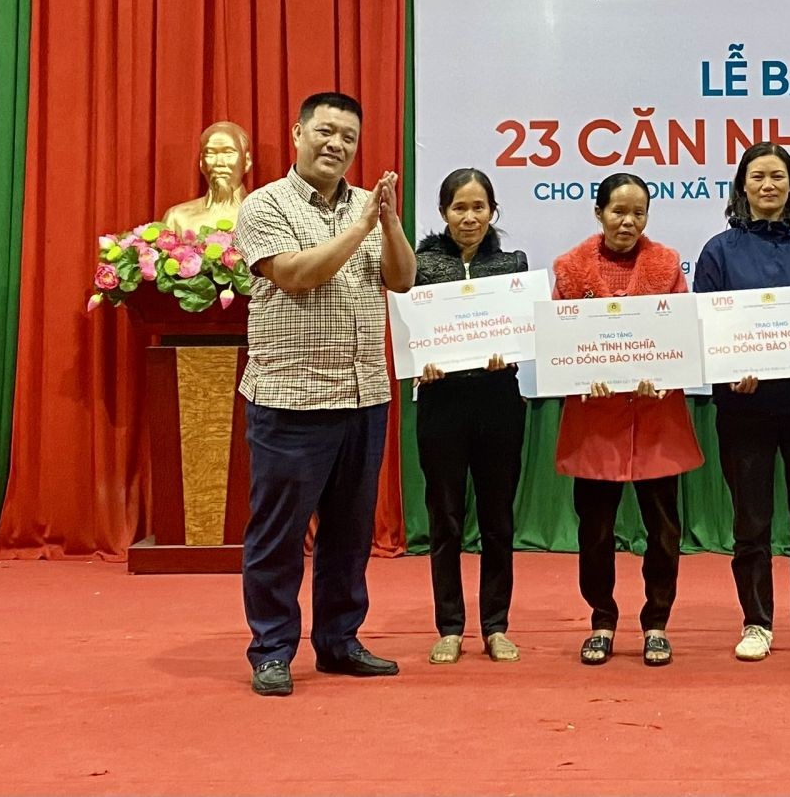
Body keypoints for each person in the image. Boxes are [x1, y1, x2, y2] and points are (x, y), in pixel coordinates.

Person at [233, 91, 416, 697]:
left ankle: (339, 640)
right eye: (326, 132)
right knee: (279, 535)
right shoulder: (266, 205)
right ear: (298, 133)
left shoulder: (369, 205)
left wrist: (388, 223)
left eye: (349, 138)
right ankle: (272, 649)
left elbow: (402, 280)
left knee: (350, 534)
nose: (337, 145)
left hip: (364, 395)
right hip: (292, 398)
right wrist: (362, 227)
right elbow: (296, 276)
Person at [692, 142, 790, 663]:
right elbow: (705, 327)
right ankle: (756, 621)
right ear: (742, 185)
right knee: (751, 523)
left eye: (777, 176)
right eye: (757, 176)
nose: (767, 185)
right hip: (745, 409)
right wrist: (729, 366)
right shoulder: (719, 251)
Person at [552, 172, 703, 667]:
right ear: (598, 212)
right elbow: (560, 342)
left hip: (656, 416)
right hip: (596, 420)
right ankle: (602, 620)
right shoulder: (570, 268)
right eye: (618, 211)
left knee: (664, 530)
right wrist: (582, 375)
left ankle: (657, 622)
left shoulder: (667, 264)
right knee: (595, 530)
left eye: (638, 212)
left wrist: (665, 373)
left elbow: (680, 334)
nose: (628, 221)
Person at [412, 168, 528, 665]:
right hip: (442, 402)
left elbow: (524, 330)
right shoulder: (420, 267)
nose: (469, 217)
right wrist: (422, 361)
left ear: (493, 211)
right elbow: (410, 332)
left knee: (498, 520)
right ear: (443, 212)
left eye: (479, 207)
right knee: (445, 519)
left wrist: (511, 351)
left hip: (499, 400)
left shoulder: (512, 265)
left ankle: (496, 626)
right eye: (459, 207)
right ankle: (450, 627)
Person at [161, 121, 252, 236]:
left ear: (247, 161)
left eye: (229, 153)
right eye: (210, 154)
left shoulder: (265, 215)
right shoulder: (177, 217)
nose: (219, 163)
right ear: (201, 163)